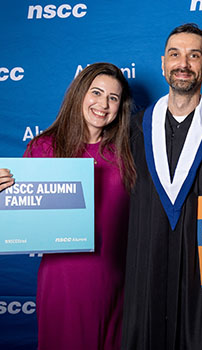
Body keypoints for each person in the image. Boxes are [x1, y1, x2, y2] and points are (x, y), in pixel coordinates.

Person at [121, 23, 202, 350]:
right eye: (175, 55)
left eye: (194, 55)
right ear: (163, 63)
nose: (183, 64)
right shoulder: (134, 130)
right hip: (144, 275)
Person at [23, 63, 136, 350]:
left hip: (117, 281)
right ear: (79, 94)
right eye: (96, 92)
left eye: (113, 97)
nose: (103, 104)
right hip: (63, 279)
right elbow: (22, 219)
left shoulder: (127, 153)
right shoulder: (44, 148)